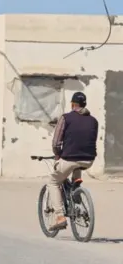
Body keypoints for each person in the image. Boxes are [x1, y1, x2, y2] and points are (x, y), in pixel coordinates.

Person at [47, 91, 98, 230]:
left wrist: (58, 156)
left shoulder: (65, 118)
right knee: (76, 166)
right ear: (84, 104)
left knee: (53, 182)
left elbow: (56, 142)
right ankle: (76, 186)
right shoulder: (94, 120)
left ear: (73, 104)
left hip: (70, 158)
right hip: (88, 159)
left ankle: (59, 217)